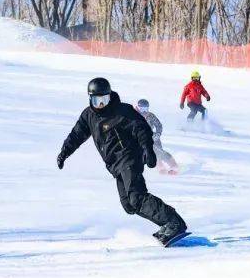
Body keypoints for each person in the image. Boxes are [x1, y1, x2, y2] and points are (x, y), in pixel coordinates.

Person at [57, 78, 187, 245]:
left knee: (137, 197)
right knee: (129, 205)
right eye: (96, 100)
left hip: (130, 158)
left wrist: (148, 149)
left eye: (104, 100)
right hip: (115, 165)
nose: (101, 104)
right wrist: (64, 152)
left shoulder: (122, 111)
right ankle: (166, 224)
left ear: (110, 96)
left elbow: (141, 128)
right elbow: (76, 135)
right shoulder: (88, 116)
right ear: (90, 98)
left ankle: (173, 222)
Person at [136, 98, 178, 175]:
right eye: (142, 108)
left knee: (159, 152)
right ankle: (161, 168)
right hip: (140, 139)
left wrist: (157, 134)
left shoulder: (150, 116)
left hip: (153, 137)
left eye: (146, 108)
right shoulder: (133, 116)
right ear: (138, 108)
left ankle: (173, 166)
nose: (144, 111)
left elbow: (159, 125)